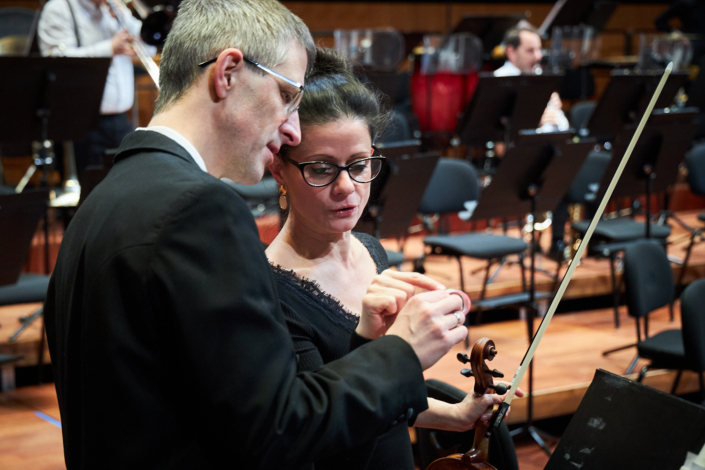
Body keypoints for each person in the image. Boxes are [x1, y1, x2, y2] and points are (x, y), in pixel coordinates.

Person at [44, 1, 473, 469]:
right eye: (287, 95)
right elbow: (275, 433)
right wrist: (402, 352)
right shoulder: (198, 208)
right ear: (228, 73)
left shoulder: (104, 198)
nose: (291, 128)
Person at [266, 48, 521, 470]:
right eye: (322, 169)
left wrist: (455, 415)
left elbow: (392, 399)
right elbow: (324, 443)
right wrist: (378, 345)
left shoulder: (371, 249)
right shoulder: (269, 294)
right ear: (279, 169)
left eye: (359, 164)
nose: (347, 188)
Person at [37, 0, 156, 176]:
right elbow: (57, 61)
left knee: (131, 183)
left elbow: (149, 48)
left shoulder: (114, 8)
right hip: (82, 126)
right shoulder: (59, 8)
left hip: (121, 120)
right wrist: (109, 48)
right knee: (91, 188)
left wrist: (126, 20)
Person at [494, 23, 569, 133]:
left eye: (539, 49)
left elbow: (564, 125)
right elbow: (494, 130)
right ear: (511, 52)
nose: (538, 56)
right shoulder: (497, 81)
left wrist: (555, 112)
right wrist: (534, 121)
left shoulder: (539, 76)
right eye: (530, 50)